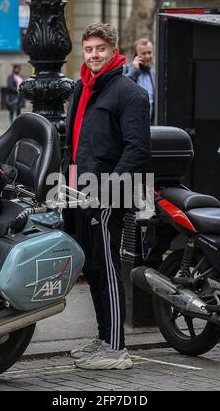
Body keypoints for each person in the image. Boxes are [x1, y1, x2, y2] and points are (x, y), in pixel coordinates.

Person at [62, 23, 150, 370]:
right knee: (94, 268)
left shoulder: (128, 93)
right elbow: (76, 144)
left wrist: (108, 189)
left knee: (110, 270)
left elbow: (137, 149)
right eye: (88, 49)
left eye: (100, 48)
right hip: (80, 191)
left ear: (113, 50)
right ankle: (104, 338)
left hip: (108, 195)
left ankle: (116, 349)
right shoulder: (82, 88)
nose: (94, 55)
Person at [124, 38, 155, 123]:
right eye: (143, 53)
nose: (148, 56)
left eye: (149, 52)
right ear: (136, 56)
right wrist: (134, 71)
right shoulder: (126, 70)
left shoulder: (153, 74)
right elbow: (123, 89)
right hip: (131, 124)